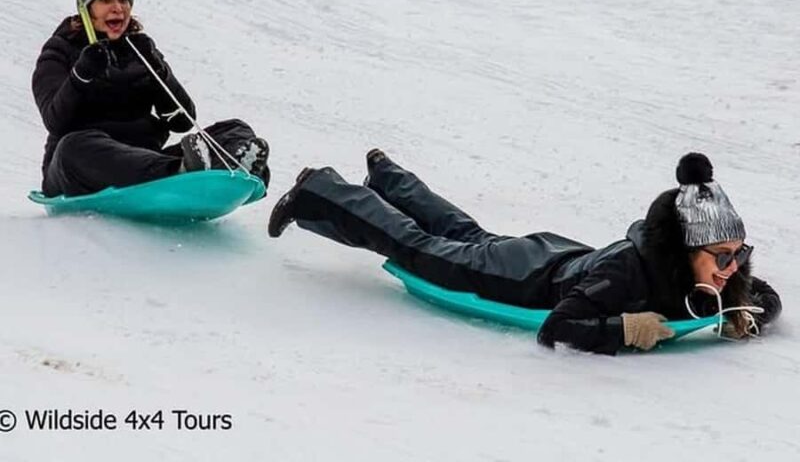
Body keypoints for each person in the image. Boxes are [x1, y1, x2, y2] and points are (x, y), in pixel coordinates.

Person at [267, 150, 781, 355]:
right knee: (418, 248)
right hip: (521, 277)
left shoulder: (715, 272)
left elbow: (765, 296)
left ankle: (389, 177)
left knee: (465, 233)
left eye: (738, 255)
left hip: (556, 255)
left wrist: (746, 312)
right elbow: (557, 326)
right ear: (684, 248)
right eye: (720, 256)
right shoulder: (629, 274)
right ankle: (322, 190)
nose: (730, 267)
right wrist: (625, 329)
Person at [32, 0, 270, 197]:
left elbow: (183, 121)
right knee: (74, 147)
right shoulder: (60, 50)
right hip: (79, 172)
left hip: (147, 163)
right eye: (105, 0)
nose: (118, 8)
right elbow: (55, 120)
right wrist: (82, 74)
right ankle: (186, 173)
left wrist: (158, 69)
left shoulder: (139, 48)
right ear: (86, 9)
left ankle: (231, 170)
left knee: (235, 130)